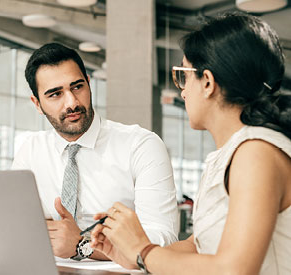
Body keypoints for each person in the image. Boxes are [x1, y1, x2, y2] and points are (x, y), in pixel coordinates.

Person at [90, 13, 291, 274]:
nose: (182, 91)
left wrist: (144, 250)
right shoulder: (233, 152)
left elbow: (233, 270)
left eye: (184, 76)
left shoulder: (256, 154)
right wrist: (129, 252)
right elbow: (199, 246)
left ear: (207, 82)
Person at [12, 43, 178, 260]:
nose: (71, 102)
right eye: (55, 94)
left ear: (89, 84)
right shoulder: (31, 150)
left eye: (77, 87)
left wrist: (83, 245)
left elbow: (163, 240)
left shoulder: (141, 145)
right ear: (37, 104)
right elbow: (15, 227)